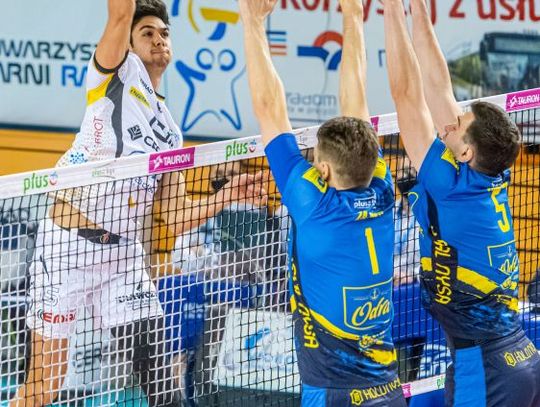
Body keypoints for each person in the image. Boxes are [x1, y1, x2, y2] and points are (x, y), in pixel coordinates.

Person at [12, 1, 266, 406]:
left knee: (162, 386)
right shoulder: (114, 75)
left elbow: (173, 216)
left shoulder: (170, 131)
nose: (159, 40)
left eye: (164, 33)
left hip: (123, 257)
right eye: (147, 33)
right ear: (127, 44)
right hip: (66, 250)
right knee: (44, 387)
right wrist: (126, 17)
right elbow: (119, 13)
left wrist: (224, 197)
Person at [240, 0, 406, 405]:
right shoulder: (383, 189)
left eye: (315, 159)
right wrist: (353, 14)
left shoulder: (314, 205)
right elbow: (357, 108)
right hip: (388, 389)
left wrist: (252, 20)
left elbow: (270, 108)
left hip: (333, 393)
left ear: (325, 171)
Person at [384, 0, 540, 405]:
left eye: (458, 125)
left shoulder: (450, 186)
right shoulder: (490, 170)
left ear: (467, 152)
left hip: (485, 369)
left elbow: (406, 95)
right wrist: (418, 8)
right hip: (516, 356)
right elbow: (439, 88)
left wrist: (391, 10)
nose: (449, 123)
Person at [393, 157, 420, 286]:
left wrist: (413, 275)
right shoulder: (389, 213)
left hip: (416, 286)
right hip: (390, 284)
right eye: (402, 171)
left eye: (410, 171)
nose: (405, 176)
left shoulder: (429, 214)